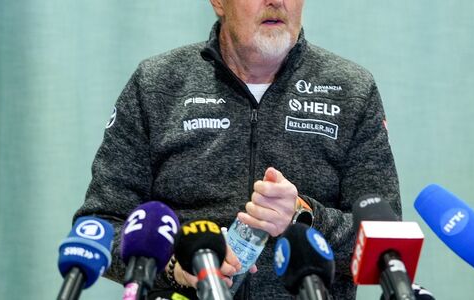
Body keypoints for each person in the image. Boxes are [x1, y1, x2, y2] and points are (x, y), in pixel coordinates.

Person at [74, 0, 400, 298]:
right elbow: (100, 227)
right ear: (218, 2)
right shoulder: (157, 83)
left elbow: (387, 247)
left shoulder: (350, 90)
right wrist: (176, 266)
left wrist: (304, 217)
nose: (276, 1)